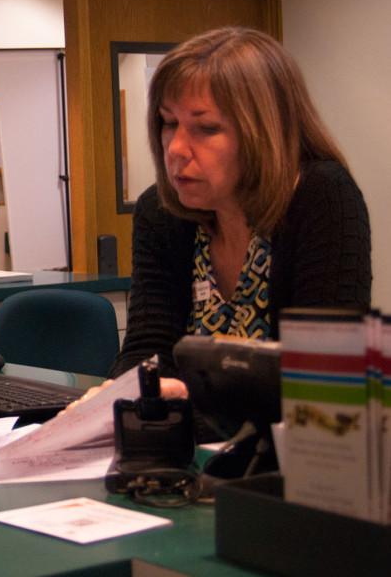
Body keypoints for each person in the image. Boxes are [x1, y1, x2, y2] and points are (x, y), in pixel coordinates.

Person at [109, 26, 371, 390]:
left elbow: (325, 382)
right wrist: (119, 399)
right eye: (169, 123)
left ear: (263, 132)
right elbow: (147, 350)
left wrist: (181, 404)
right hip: (194, 441)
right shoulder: (160, 211)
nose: (176, 148)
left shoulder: (321, 196)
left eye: (205, 128)